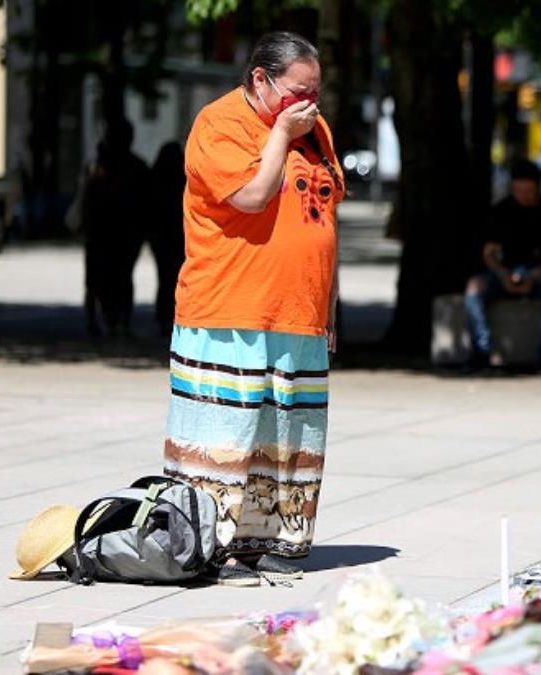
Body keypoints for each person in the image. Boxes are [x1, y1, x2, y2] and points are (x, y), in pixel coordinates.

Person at [164, 31, 344, 587]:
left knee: (291, 434)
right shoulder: (219, 124)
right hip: (229, 310)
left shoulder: (315, 130)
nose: (307, 103)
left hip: (300, 313)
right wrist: (283, 135)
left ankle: (279, 542)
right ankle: (209, 547)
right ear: (260, 79)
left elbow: (325, 216)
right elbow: (251, 196)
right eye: (296, 92)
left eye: (314, 91)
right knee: (228, 433)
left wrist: (330, 307)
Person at [465, 160, 541, 371]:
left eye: (528, 191)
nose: (523, 196)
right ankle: (481, 351)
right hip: (506, 270)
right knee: (474, 289)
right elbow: (489, 253)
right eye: (518, 191)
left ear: (538, 188)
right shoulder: (502, 210)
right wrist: (503, 275)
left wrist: (536, 275)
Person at [78, 120, 148, 337]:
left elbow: (86, 199)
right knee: (120, 279)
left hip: (104, 233)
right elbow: (146, 202)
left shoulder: (96, 166)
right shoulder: (135, 166)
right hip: (120, 233)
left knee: (98, 280)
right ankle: (118, 322)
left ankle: (100, 321)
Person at [148, 141, 186, 337]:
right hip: (178, 237)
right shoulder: (183, 181)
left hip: (161, 238)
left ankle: (164, 318)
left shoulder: (155, 180)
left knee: (164, 278)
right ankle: (170, 317)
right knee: (174, 278)